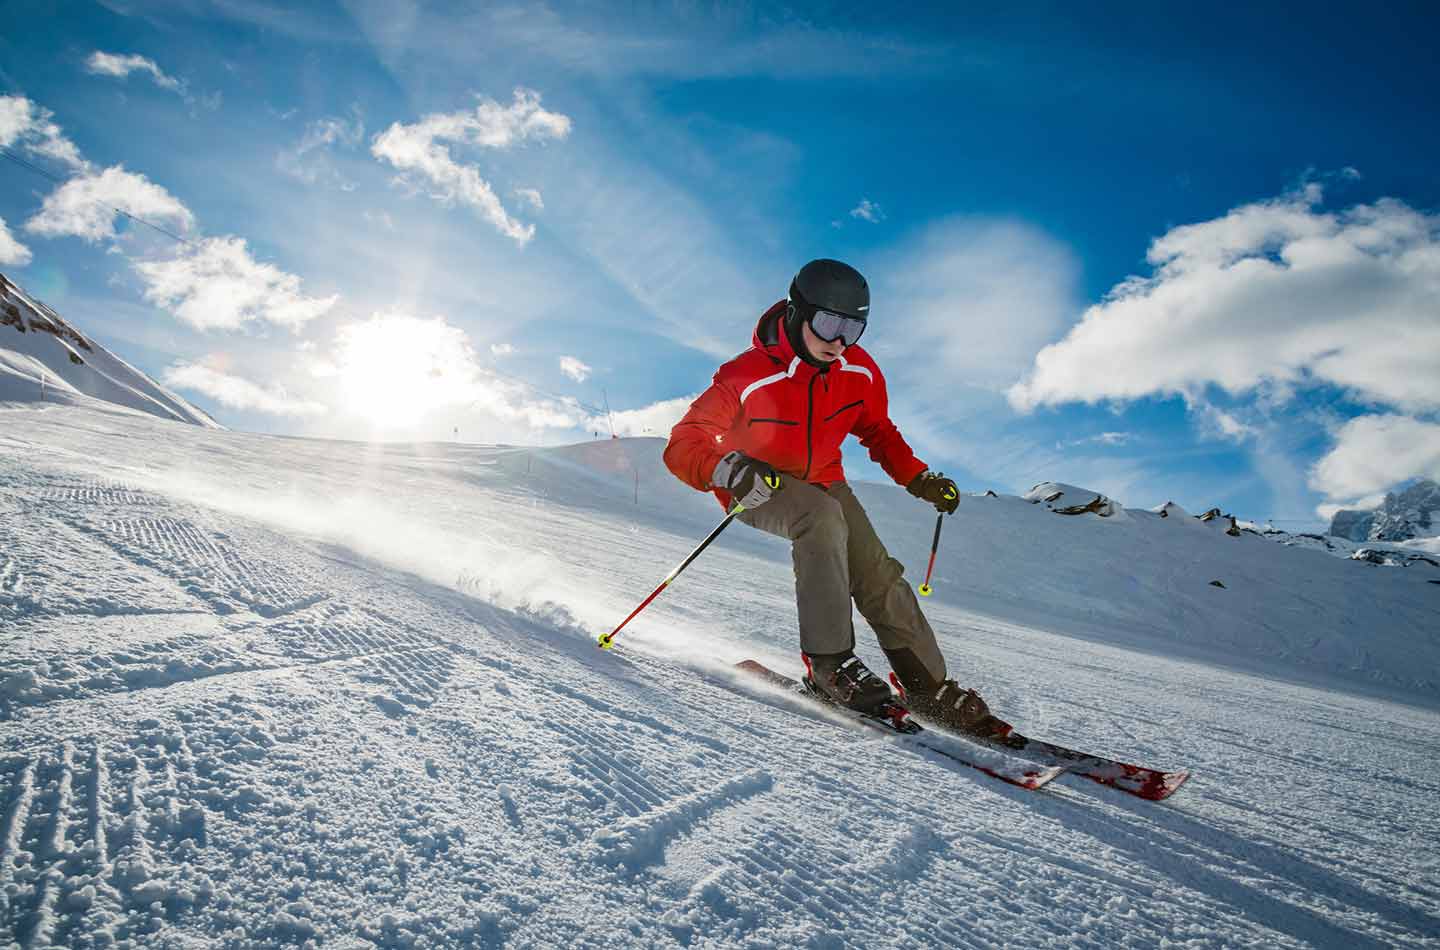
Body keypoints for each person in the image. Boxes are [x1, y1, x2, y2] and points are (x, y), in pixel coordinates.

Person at [663, 259, 1003, 736]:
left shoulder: (858, 371)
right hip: (759, 484)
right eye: (828, 323)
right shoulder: (748, 374)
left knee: (877, 572)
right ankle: (830, 666)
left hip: (825, 480)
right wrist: (729, 468)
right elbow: (683, 445)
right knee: (819, 517)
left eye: (853, 328)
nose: (839, 341)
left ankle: (928, 685)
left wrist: (919, 479)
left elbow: (879, 432)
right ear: (797, 312)